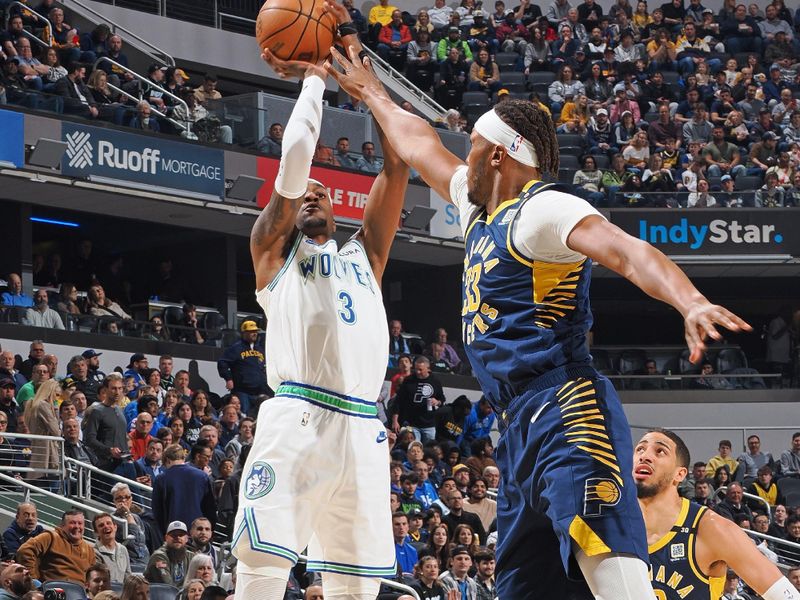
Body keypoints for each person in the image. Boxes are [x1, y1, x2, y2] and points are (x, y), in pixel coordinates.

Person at [327, 33, 750, 600]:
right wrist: (372, 92)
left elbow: (627, 251)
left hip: (568, 412)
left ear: (499, 154)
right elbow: (418, 143)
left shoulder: (543, 209)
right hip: (518, 425)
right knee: (523, 589)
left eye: (472, 144)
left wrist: (689, 300)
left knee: (615, 577)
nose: (464, 153)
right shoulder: (479, 207)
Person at [232, 22, 411, 599]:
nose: (310, 193)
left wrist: (365, 79)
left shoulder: (367, 256)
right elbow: (294, 163)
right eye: (301, 193)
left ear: (337, 208)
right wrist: (314, 80)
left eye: (322, 192)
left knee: (355, 588)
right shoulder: (272, 254)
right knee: (260, 571)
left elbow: (397, 168)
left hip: (362, 429)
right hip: (298, 417)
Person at [634, 428, 799, 600]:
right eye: (640, 449)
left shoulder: (711, 528)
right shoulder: (611, 528)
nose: (644, 456)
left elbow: (787, 596)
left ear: (680, 474)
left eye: (660, 451)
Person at [16, 510, 96, 584]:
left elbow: (93, 575)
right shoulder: (51, 537)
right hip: (54, 591)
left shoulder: (89, 549)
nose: (77, 526)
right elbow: (25, 550)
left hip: (80, 594)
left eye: (80, 523)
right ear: (62, 525)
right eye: (72, 523)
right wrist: (33, 580)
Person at [152, 444, 216, 536]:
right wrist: (209, 531)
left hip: (173, 532)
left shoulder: (161, 478)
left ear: (167, 460)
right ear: (183, 458)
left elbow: (157, 511)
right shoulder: (202, 476)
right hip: (198, 532)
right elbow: (210, 508)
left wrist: (164, 533)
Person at [216, 321, 269, 417]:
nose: (255, 333)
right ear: (244, 333)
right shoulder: (236, 348)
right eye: (251, 331)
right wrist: (228, 378)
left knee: (261, 417)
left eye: (255, 331)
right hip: (243, 391)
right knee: (244, 416)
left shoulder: (260, 349)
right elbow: (222, 362)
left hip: (260, 391)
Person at [391, 356, 446, 442]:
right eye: (416, 369)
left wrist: (437, 402)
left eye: (420, 370)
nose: (417, 372)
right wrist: (395, 420)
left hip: (429, 424)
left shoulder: (435, 381)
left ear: (428, 368)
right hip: (411, 423)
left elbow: (442, 399)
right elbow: (398, 401)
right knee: (413, 446)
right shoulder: (408, 380)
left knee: (428, 449)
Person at [144, 520, 195, 587]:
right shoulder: (159, 556)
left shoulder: (191, 556)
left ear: (186, 539)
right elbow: (167, 585)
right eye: (174, 535)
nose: (178, 537)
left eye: (181, 535)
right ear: (166, 538)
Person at [93, 512, 130, 584]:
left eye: (108, 523)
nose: (106, 526)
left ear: (115, 527)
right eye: (101, 525)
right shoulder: (94, 553)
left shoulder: (123, 549)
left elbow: (128, 576)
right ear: (96, 532)